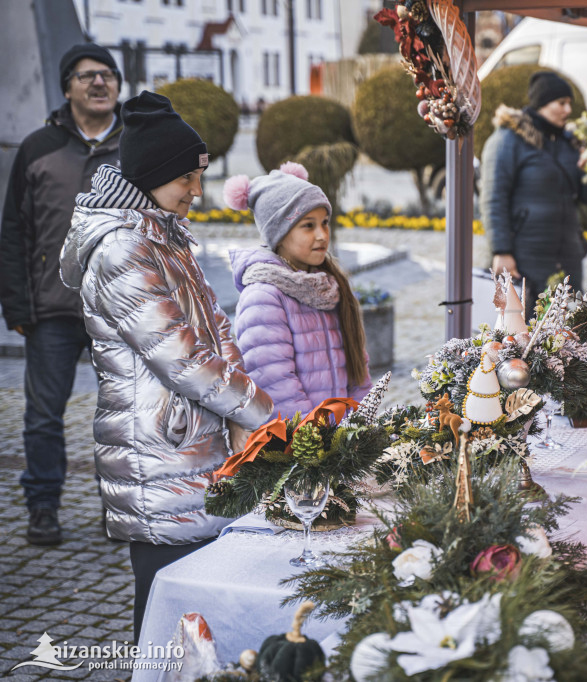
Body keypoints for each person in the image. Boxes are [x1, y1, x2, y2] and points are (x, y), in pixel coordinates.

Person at [59, 91, 273, 640]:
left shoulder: (164, 236)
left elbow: (216, 330)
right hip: (160, 452)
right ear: (152, 175)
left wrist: (244, 413)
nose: (196, 192)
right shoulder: (122, 250)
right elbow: (181, 358)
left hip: (196, 445)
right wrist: (262, 413)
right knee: (162, 609)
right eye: (187, 178)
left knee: (193, 604)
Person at [0, 43, 124, 545]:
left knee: (120, 415)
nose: (100, 83)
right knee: (44, 417)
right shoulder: (37, 148)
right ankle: (44, 507)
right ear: (67, 87)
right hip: (51, 311)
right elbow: (14, 232)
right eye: (88, 75)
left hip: (120, 311)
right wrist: (17, 306)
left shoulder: (137, 145)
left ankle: (117, 506)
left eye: (109, 75)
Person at [225, 164, 371, 417]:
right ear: (279, 234)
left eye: (325, 223)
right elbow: (275, 385)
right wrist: (318, 441)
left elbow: (358, 370)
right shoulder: (264, 297)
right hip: (303, 447)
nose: (322, 235)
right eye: (308, 225)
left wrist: (361, 425)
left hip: (343, 444)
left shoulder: (328, 287)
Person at [480, 71, 587, 316]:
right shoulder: (508, 140)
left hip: (568, 255)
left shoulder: (570, 143)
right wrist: (501, 251)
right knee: (525, 329)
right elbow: (494, 198)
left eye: (569, 103)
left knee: (568, 326)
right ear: (542, 104)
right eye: (561, 103)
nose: (568, 109)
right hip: (526, 256)